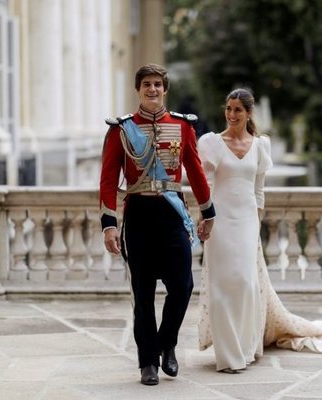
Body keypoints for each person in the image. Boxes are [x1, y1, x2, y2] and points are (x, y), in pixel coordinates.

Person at [99, 63, 215, 385]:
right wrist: (109, 224)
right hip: (138, 216)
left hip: (171, 214)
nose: (152, 90)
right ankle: (148, 362)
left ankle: (167, 344)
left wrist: (209, 213)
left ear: (165, 89)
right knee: (144, 294)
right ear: (138, 89)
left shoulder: (182, 126)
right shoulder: (121, 130)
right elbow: (108, 179)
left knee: (183, 287)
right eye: (147, 84)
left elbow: (195, 171)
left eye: (158, 85)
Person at [197, 88, 322, 374]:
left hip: (247, 223)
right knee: (222, 286)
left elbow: (259, 191)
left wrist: (255, 224)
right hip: (220, 220)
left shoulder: (260, 145)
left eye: (237, 110)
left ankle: (248, 346)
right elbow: (207, 187)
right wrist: (203, 218)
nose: (231, 115)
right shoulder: (212, 143)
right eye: (228, 109)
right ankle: (228, 355)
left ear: (248, 113)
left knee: (246, 284)